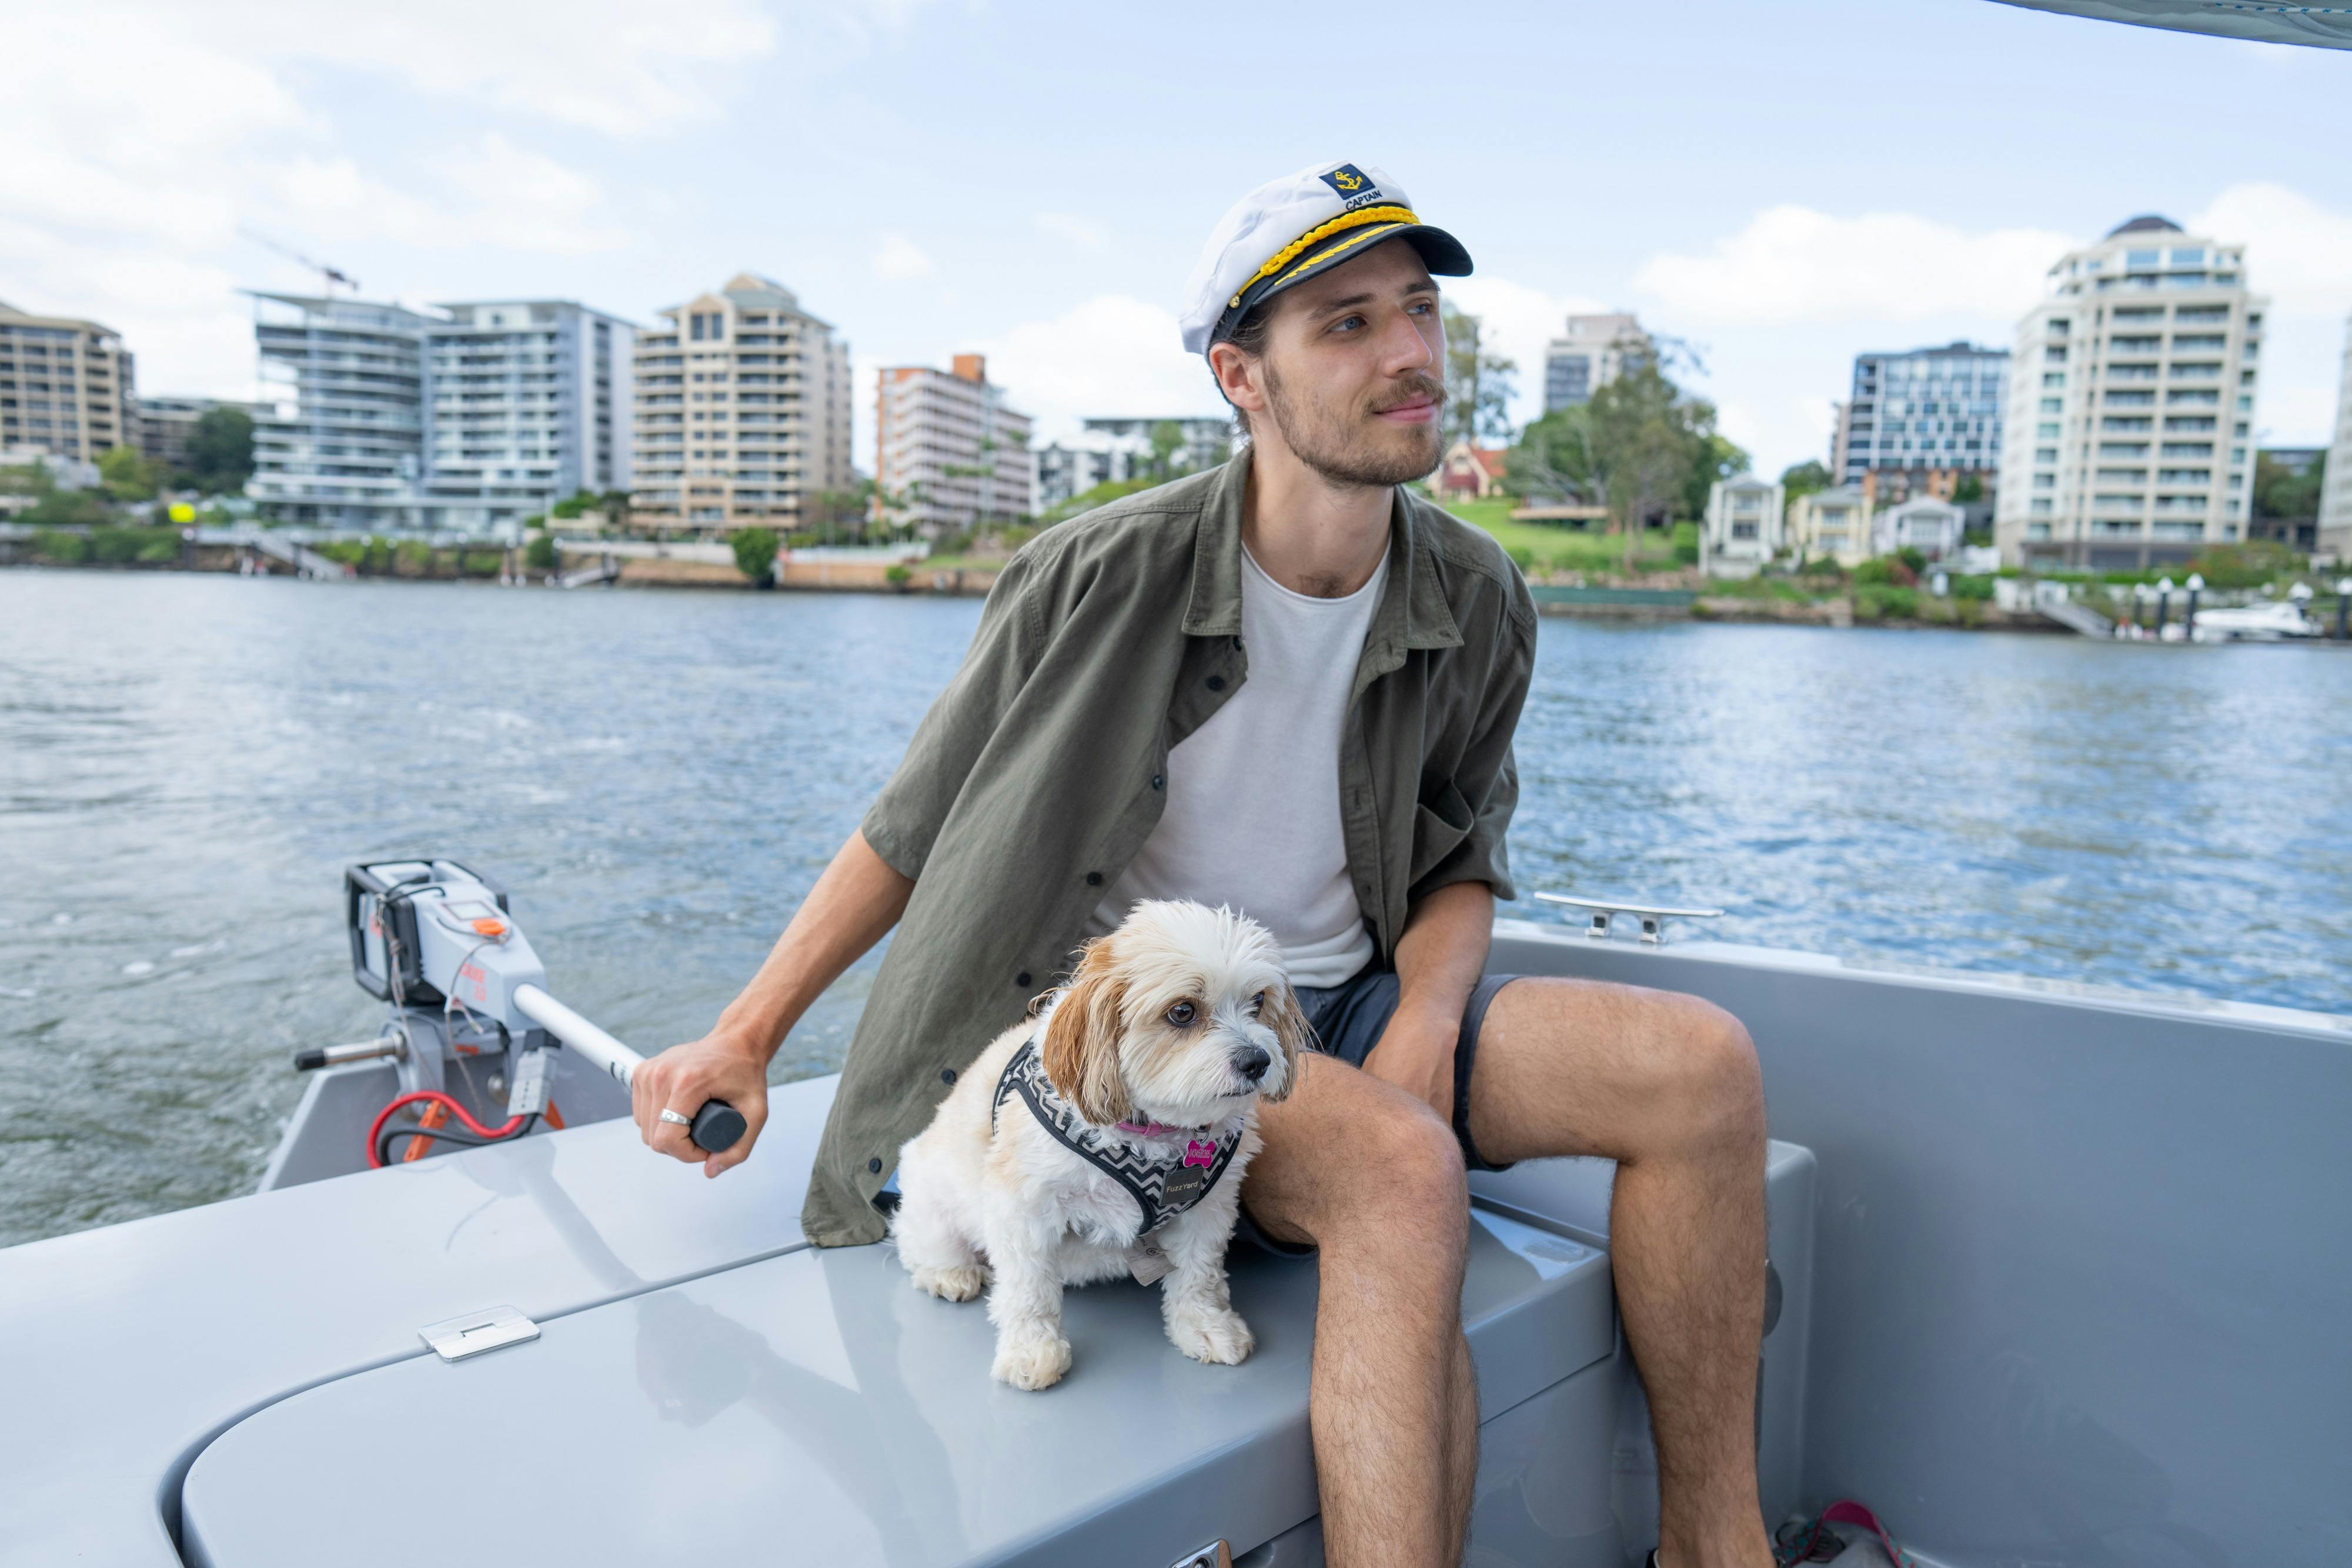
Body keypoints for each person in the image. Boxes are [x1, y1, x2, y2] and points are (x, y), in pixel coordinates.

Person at [632, 160, 1772, 1568]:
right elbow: (911, 823)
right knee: (1402, 1170)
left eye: (1417, 310)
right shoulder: (1095, 571)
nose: (1410, 350)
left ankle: (1717, 1550)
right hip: (1113, 1033)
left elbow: (1459, 851)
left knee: (1701, 1064)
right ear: (1242, 375)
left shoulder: (1475, 593)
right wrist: (745, 1034)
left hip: (1324, 1008)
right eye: (1345, 324)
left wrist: (1421, 1018)